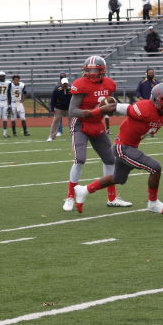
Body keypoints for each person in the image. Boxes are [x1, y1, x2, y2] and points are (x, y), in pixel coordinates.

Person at [74, 83, 163, 214]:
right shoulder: (143, 108)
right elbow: (115, 106)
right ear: (156, 99)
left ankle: (84, 190)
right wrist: (93, 113)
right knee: (155, 168)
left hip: (130, 147)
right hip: (123, 147)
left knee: (118, 178)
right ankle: (153, 203)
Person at [63, 55, 132, 211]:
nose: (92, 73)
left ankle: (112, 198)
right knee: (80, 159)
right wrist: (86, 113)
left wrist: (109, 109)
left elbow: (109, 106)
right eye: (89, 70)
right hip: (81, 124)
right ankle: (70, 196)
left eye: (95, 70)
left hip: (97, 124)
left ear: (102, 71)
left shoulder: (110, 84)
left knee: (110, 160)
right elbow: (72, 110)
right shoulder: (81, 84)